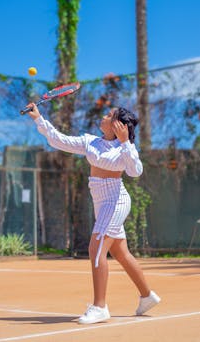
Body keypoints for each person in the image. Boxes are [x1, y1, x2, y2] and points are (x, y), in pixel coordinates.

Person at [26, 102, 161, 324]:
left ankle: (100, 307)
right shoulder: (91, 142)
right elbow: (59, 140)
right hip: (101, 202)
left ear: (119, 125)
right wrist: (38, 119)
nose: (104, 117)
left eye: (109, 116)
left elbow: (135, 171)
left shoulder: (124, 148)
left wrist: (126, 142)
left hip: (116, 201)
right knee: (120, 253)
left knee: (96, 248)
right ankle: (147, 296)